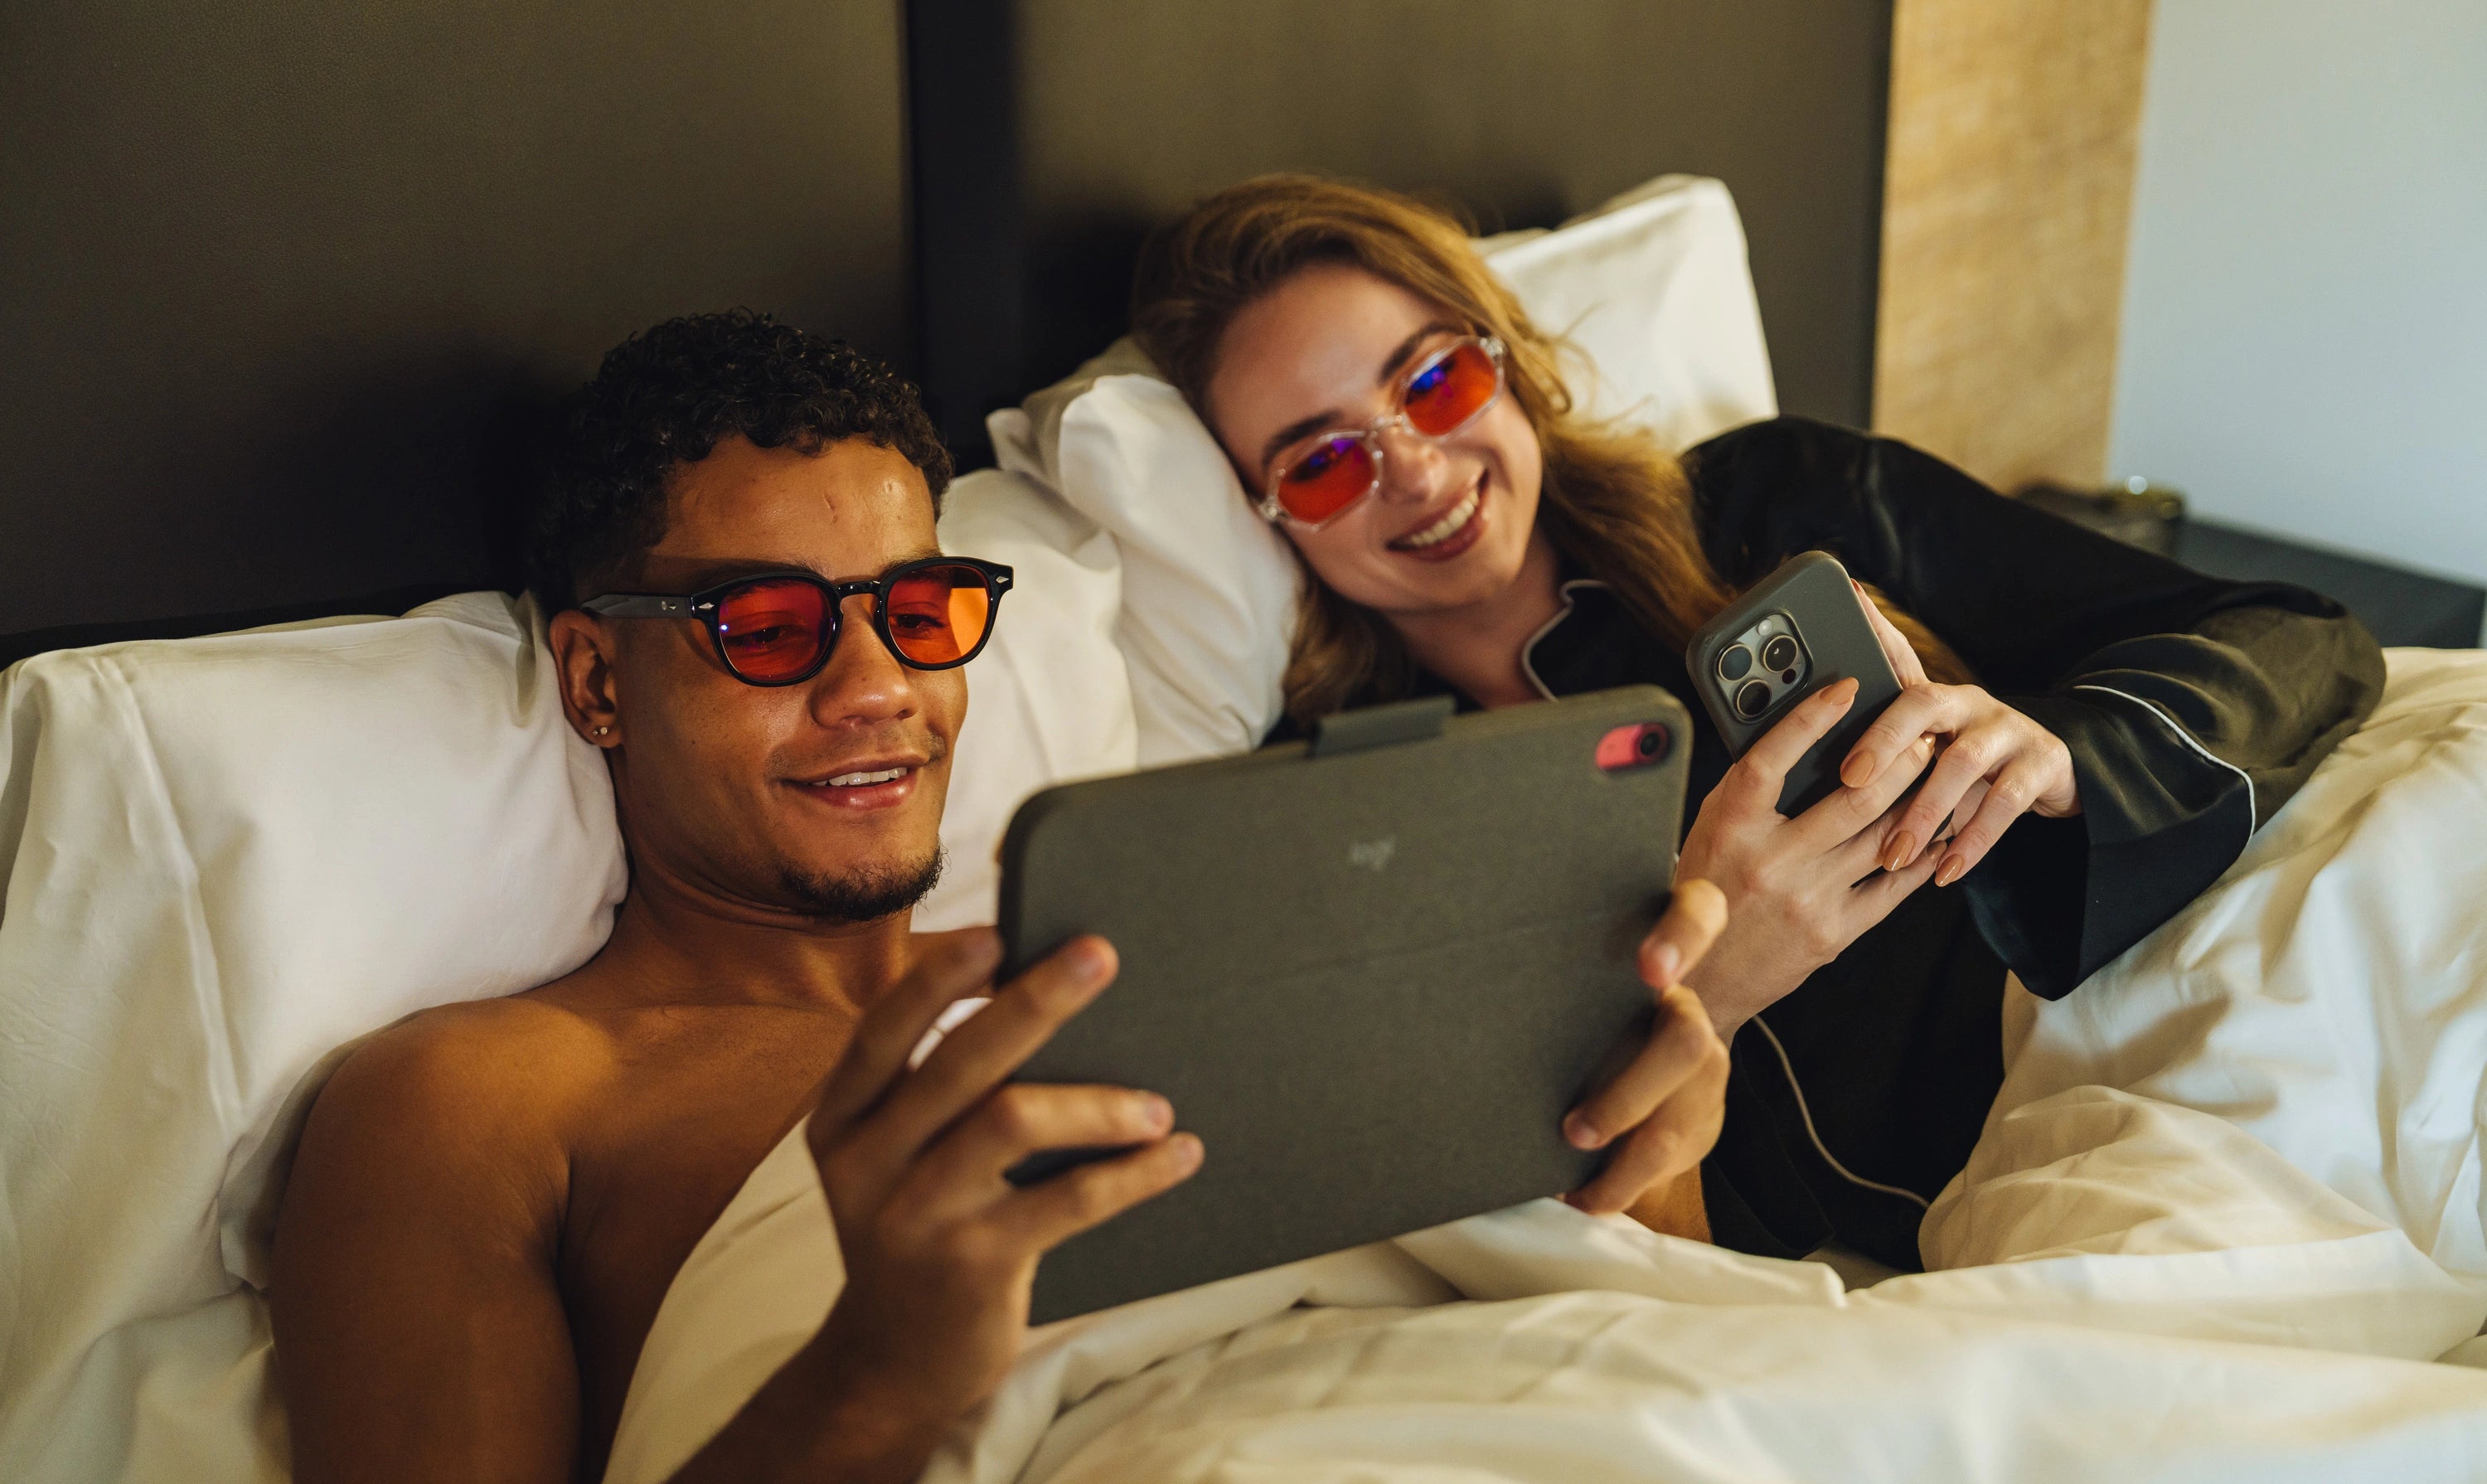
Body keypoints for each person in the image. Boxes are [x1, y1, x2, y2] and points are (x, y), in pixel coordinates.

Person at [269, 308, 1733, 1484]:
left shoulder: (1186, 973)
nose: (878, 692)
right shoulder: (481, 1099)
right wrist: (882, 1369)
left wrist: (1643, 1153)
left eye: (917, 614)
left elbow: (1658, 1355)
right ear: (598, 680)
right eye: (765, 628)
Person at [1127, 174, 2385, 1269]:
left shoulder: (1783, 503)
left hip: (2196, 1004)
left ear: (1500, 357)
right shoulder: (1361, 815)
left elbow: (2298, 635)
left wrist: (2063, 755)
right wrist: (1703, 992)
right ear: (1265, 519)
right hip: (2001, 1216)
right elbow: (1559, 1217)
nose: (1412, 467)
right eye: (1322, 463)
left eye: (1434, 380)